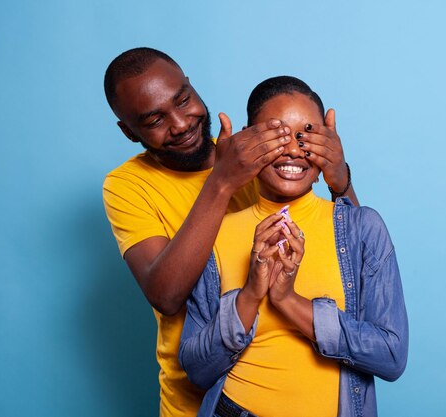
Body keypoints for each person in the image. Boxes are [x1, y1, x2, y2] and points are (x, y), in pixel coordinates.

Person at [102, 48, 357, 417]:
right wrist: (221, 183)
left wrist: (340, 181)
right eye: (155, 118)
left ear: (191, 86)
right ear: (129, 132)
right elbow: (167, 295)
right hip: (196, 400)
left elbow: (352, 254)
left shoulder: (252, 152)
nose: (180, 123)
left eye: (183, 100)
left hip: (289, 389)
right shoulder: (127, 186)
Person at [179, 76, 408, 417]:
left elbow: (390, 356)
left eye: (307, 136)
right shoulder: (214, 235)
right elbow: (196, 369)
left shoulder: (363, 228)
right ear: (247, 141)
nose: (292, 149)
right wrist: (251, 294)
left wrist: (287, 300)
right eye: (276, 134)